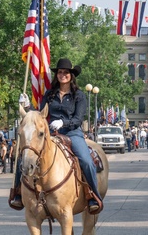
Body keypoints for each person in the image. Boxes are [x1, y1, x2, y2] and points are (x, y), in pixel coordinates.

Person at [8, 58, 103, 213]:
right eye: (60, 72)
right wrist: (27, 105)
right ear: (57, 75)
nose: (63, 75)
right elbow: (40, 114)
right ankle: (18, 193)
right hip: (50, 133)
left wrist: (63, 123)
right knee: (24, 156)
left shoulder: (78, 95)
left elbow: (79, 119)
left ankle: (92, 195)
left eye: (66, 72)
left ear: (71, 75)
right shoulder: (50, 94)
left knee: (86, 161)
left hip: (72, 133)